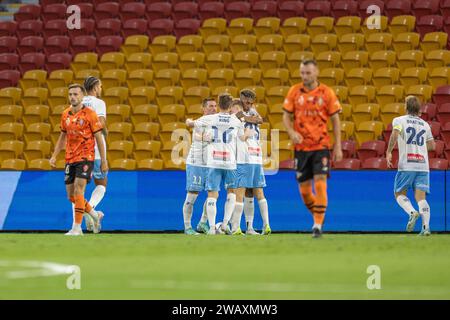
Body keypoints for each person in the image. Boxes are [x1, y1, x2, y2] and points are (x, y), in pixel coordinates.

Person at [282, 59, 343, 238]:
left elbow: (335, 119)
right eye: (302, 73)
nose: (304, 76)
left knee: (320, 181)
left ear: (316, 72)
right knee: (305, 191)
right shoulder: (294, 91)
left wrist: (337, 145)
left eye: (308, 73)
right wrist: (291, 132)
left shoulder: (327, 93)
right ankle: (319, 216)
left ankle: (316, 225)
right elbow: (285, 116)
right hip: (301, 147)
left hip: (321, 145)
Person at [186, 94, 251, 235]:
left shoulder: (210, 118)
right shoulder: (236, 120)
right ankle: (225, 224)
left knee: (212, 194)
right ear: (229, 106)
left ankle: (211, 228)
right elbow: (241, 137)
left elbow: (190, 124)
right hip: (229, 163)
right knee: (231, 192)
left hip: (213, 162)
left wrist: (190, 121)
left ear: (219, 105)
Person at [49, 84, 108, 236]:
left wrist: (103, 160)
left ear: (82, 96)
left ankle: (77, 228)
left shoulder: (90, 114)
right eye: (70, 94)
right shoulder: (65, 114)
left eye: (75, 94)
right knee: (71, 196)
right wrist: (55, 155)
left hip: (86, 157)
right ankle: (95, 214)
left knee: (78, 189)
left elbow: (99, 138)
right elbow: (62, 136)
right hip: (70, 157)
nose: (73, 97)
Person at [386, 96, 435, 236]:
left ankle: (412, 212)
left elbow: (394, 135)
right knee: (421, 198)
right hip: (423, 165)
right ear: (418, 109)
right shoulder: (425, 124)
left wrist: (389, 151)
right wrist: (418, 147)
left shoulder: (399, 120)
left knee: (399, 193)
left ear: (406, 107)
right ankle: (426, 228)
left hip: (407, 164)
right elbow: (432, 146)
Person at [230, 91, 271, 235]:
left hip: (253, 157)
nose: (249, 105)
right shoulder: (238, 112)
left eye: (251, 102)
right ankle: (242, 227)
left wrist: (249, 117)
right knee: (244, 192)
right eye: (246, 102)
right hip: (245, 156)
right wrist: (250, 117)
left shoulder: (250, 112)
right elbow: (255, 120)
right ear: (241, 100)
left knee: (252, 192)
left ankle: (256, 226)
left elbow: (260, 120)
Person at [182, 97, 217, 235]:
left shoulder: (218, 122)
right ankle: (187, 227)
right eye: (210, 106)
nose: (214, 108)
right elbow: (192, 129)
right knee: (192, 196)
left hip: (211, 163)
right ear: (203, 109)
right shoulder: (200, 121)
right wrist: (190, 122)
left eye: (215, 106)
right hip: (196, 162)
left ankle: (202, 223)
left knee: (212, 195)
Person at [80, 76, 108, 232]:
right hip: (96, 150)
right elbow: (101, 122)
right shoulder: (99, 103)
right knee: (102, 184)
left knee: (79, 188)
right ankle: (90, 209)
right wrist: (103, 129)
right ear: (96, 87)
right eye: (101, 86)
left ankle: (85, 212)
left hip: (79, 150)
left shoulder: (78, 102)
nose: (101, 89)